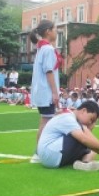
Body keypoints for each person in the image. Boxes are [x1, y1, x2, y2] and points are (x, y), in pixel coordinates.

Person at [37, 101, 99, 170]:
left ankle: (85, 162)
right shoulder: (68, 118)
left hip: (52, 157)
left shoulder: (70, 117)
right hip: (52, 154)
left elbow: (90, 142)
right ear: (84, 111)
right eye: (91, 119)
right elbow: (84, 140)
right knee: (84, 135)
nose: (90, 122)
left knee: (92, 146)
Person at [29, 20, 62, 163]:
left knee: (45, 121)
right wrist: (55, 93)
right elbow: (49, 72)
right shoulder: (47, 49)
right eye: (55, 29)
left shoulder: (42, 48)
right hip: (46, 92)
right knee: (45, 122)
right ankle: (38, 152)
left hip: (42, 91)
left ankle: (40, 151)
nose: (56, 31)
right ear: (48, 31)